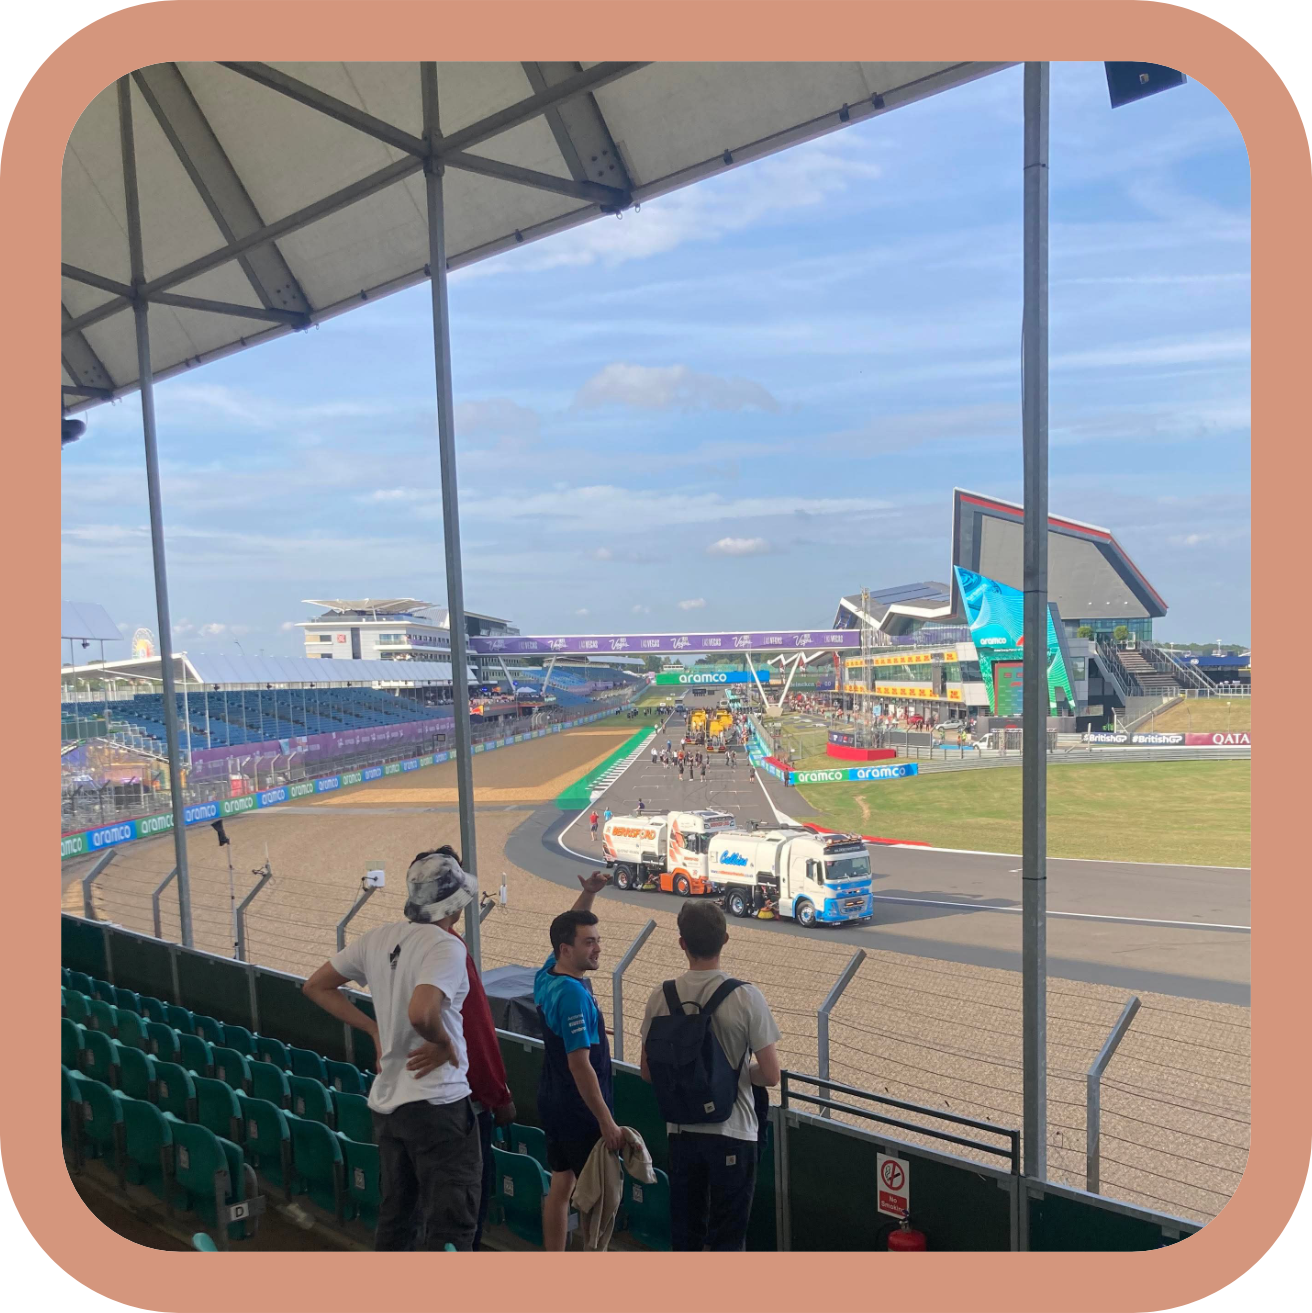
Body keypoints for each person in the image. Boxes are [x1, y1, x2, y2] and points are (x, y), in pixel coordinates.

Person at [302, 847, 483, 1250]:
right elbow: (422, 1012)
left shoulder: (378, 938)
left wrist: (373, 1029)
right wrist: (443, 1041)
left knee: (397, 1220)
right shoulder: (445, 947)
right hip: (438, 1105)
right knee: (451, 1226)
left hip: (389, 1106)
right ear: (456, 903)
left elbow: (315, 986)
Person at [639, 901, 781, 1252]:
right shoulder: (747, 997)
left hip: (682, 1131)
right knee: (728, 1238)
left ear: (682, 943)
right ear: (726, 939)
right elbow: (770, 1074)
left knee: (686, 1235)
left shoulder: (661, 996)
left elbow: (647, 1072)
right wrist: (737, 1073)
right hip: (734, 1131)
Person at [534, 872, 623, 1251]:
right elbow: (580, 1065)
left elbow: (566, 928)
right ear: (567, 950)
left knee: (561, 1184)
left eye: (598, 941)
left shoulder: (546, 975)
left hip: (552, 1100)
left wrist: (587, 895)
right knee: (596, 1199)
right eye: (589, 943)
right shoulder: (572, 996)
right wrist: (607, 1122)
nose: (597, 949)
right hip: (579, 1111)